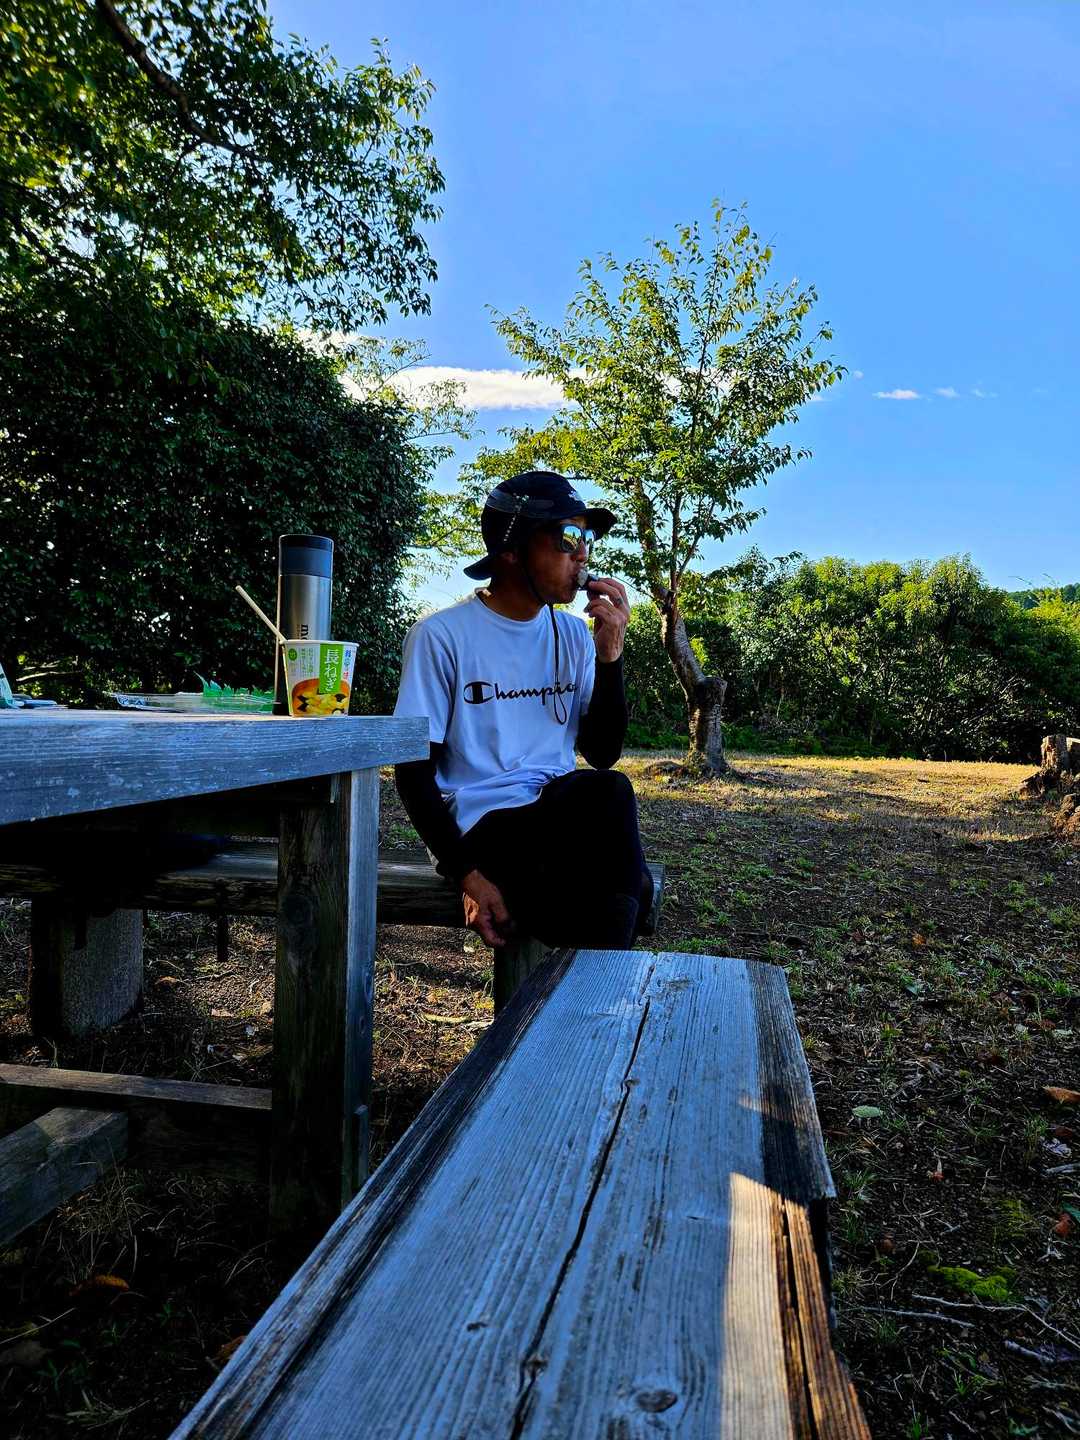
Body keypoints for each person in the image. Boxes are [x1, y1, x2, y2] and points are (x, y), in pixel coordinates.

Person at [392, 470, 653, 951]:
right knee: (629, 885)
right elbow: (412, 773)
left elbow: (602, 753)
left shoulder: (573, 635)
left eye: (587, 539)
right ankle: (608, 975)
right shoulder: (442, 636)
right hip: (480, 827)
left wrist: (610, 656)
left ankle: (597, 974)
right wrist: (468, 875)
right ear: (511, 550)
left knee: (609, 799)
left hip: (552, 818)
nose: (582, 554)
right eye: (567, 537)